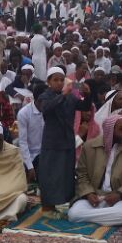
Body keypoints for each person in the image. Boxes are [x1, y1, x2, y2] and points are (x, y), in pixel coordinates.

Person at [68, 112, 122, 227]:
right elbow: (82, 174)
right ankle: (107, 218)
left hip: (120, 199)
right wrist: (88, 193)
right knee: (73, 214)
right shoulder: (89, 147)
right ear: (110, 130)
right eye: (120, 129)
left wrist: (119, 194)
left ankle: (90, 217)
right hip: (94, 197)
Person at [37, 67, 90, 210]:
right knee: (51, 175)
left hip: (67, 141)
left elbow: (84, 106)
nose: (59, 83)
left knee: (66, 174)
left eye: (61, 80)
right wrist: (63, 95)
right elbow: (46, 108)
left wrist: (87, 94)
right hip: (52, 142)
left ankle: (65, 201)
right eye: (56, 80)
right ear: (49, 82)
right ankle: (48, 205)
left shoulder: (70, 97)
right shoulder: (45, 96)